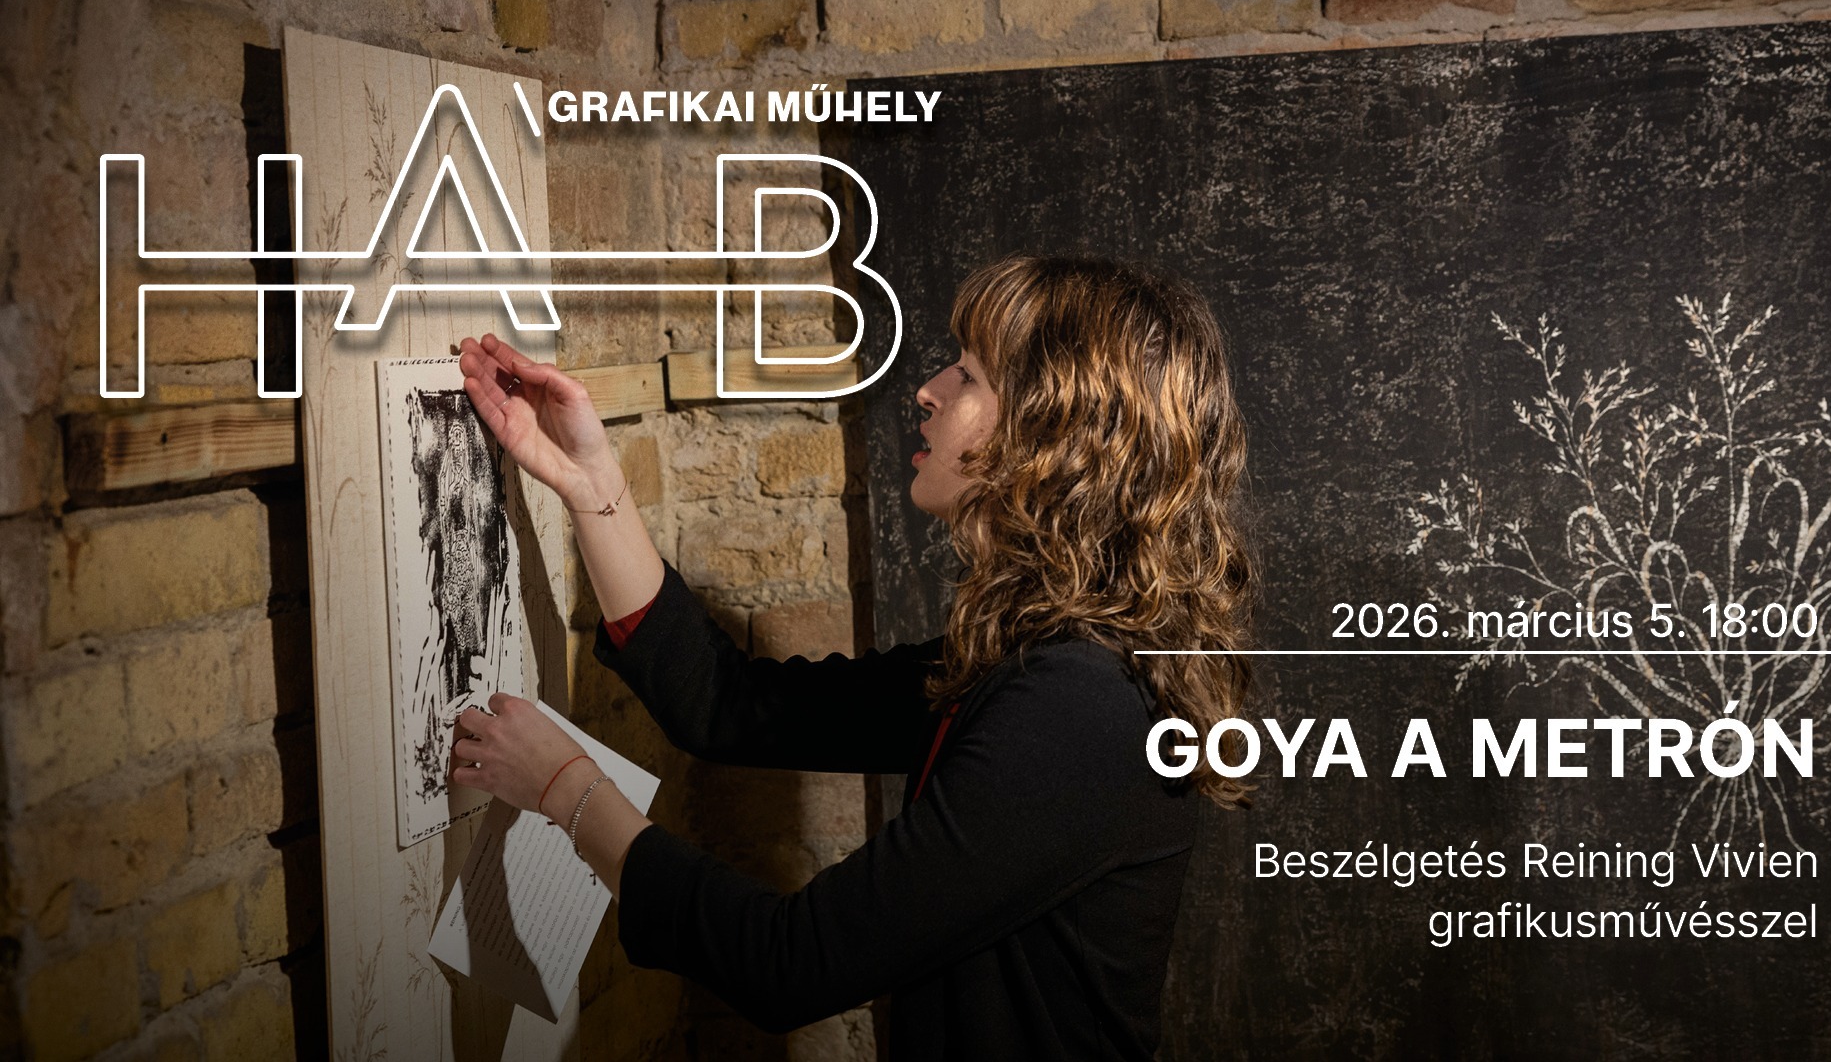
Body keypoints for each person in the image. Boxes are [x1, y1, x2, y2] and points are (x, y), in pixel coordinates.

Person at [449, 254, 1256, 1060]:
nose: (929, 390)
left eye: (970, 377)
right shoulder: (1029, 659)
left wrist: (565, 788)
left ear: (1054, 438)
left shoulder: (1079, 706)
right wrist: (591, 481)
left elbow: (789, 964)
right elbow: (727, 706)